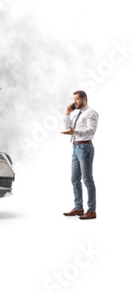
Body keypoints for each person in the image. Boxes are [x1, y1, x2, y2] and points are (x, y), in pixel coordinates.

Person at [60, 90, 99, 220]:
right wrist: (67, 113)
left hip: (85, 147)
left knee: (87, 179)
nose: (74, 102)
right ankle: (78, 207)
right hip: (75, 147)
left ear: (84, 99)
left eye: (77, 99)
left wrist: (74, 132)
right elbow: (67, 127)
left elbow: (91, 131)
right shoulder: (78, 114)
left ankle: (91, 210)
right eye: (74, 99)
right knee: (74, 179)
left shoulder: (91, 113)